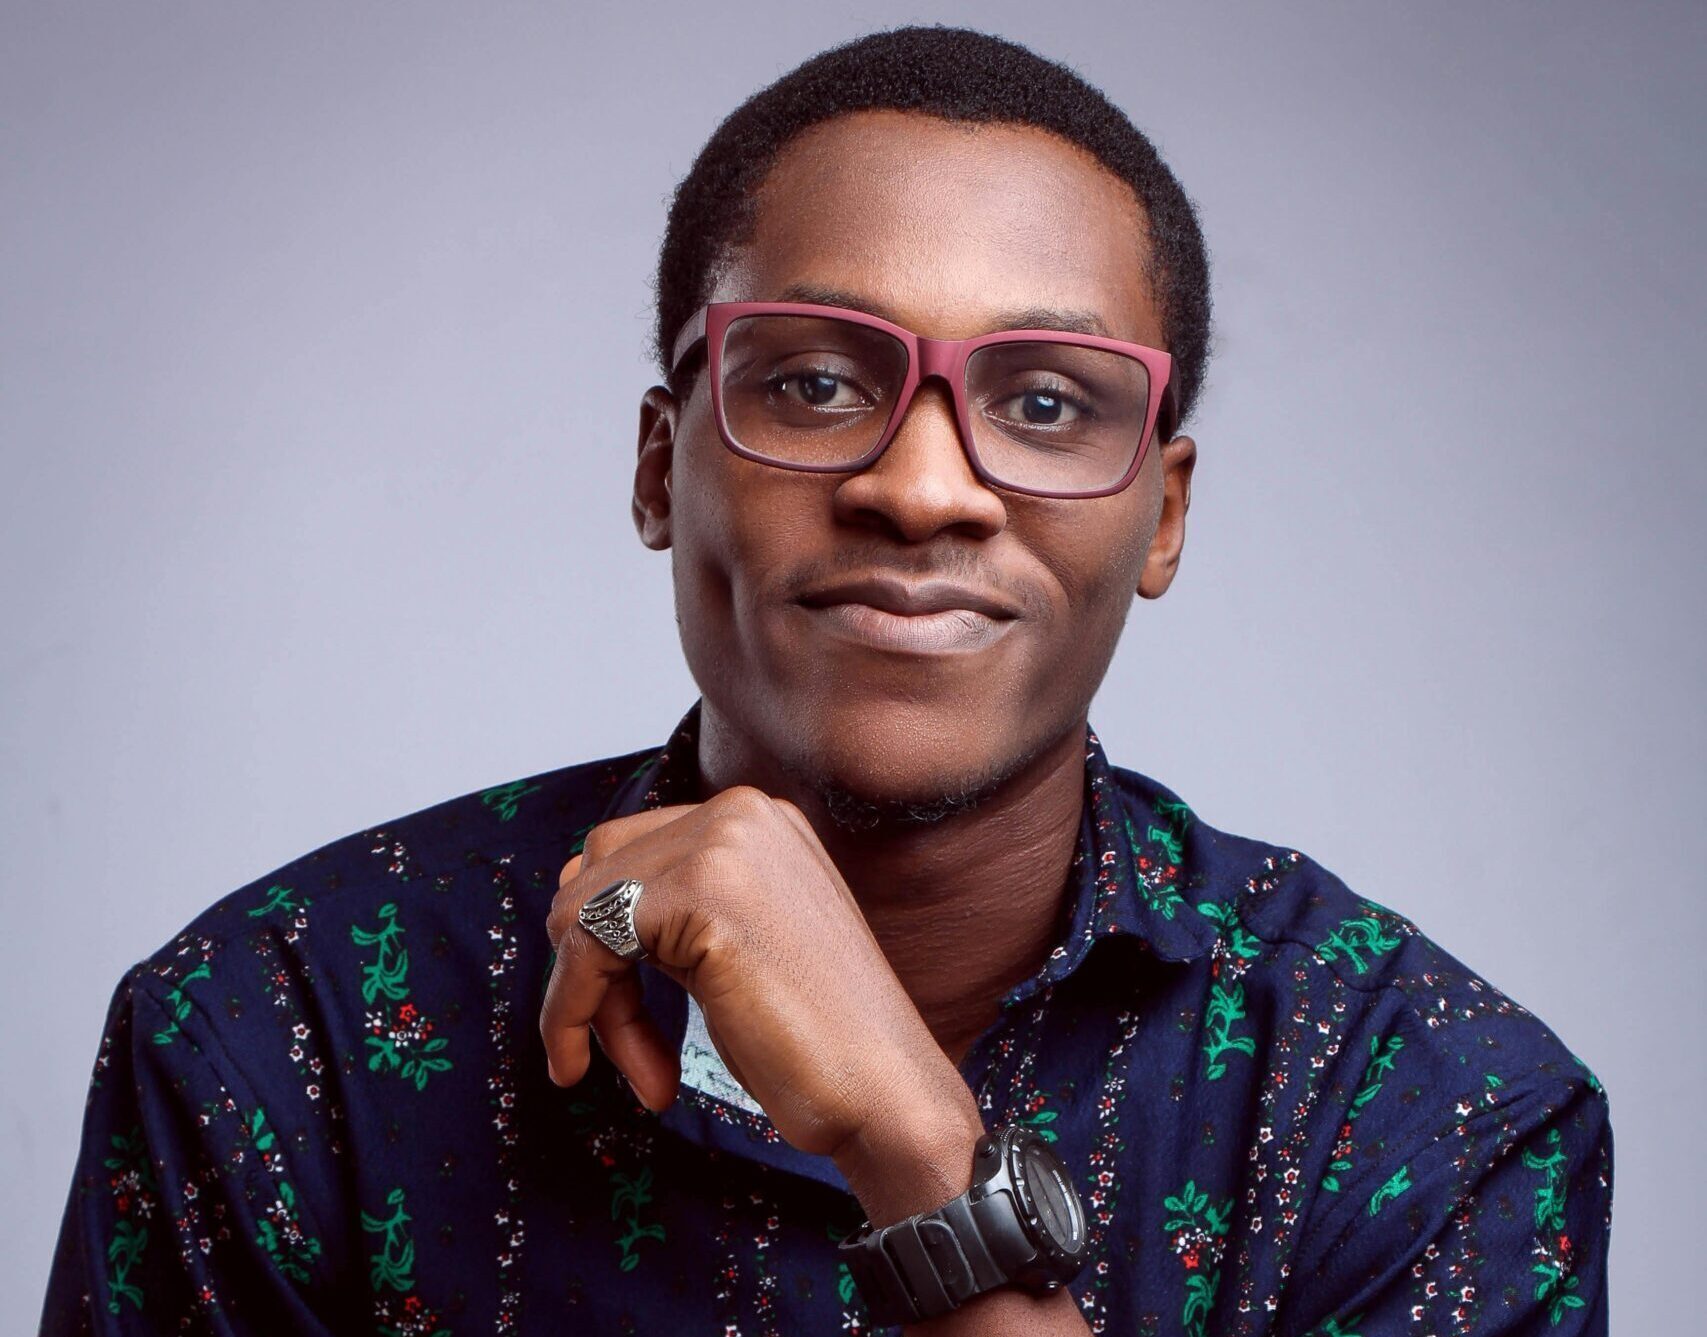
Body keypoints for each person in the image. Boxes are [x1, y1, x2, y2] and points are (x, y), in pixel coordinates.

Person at [39, 24, 1612, 1336]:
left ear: (1165, 513)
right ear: (663, 467)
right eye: (813, 381)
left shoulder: (1423, 1113)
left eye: (1049, 401)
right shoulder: (274, 1039)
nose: (925, 490)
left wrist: (916, 1151)